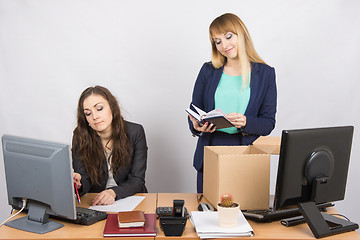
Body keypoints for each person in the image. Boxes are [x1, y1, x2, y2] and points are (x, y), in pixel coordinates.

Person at [188, 13, 277, 193]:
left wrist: (246, 122)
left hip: (244, 151)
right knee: (208, 214)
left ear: (241, 34)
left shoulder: (265, 74)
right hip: (210, 149)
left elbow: (268, 123)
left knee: (244, 214)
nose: (224, 45)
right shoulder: (208, 70)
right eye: (217, 41)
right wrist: (196, 126)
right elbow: (194, 109)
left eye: (228, 36)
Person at [72, 85, 148, 205]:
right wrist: (79, 182)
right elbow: (84, 178)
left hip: (130, 198)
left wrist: (113, 192)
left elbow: (137, 180)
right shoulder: (80, 135)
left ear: (112, 107)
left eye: (99, 108)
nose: (95, 117)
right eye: (88, 113)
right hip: (96, 201)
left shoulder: (135, 132)